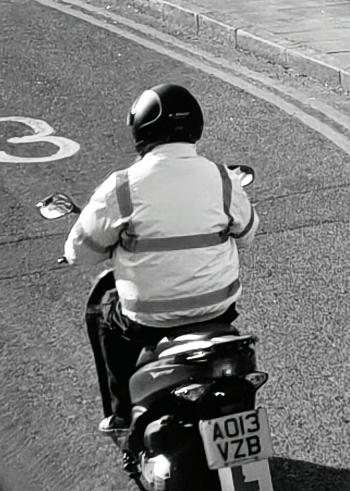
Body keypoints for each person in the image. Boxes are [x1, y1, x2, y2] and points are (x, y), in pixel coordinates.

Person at [62, 81, 256, 444]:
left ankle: (121, 414)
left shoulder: (122, 187)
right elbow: (246, 234)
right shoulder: (221, 178)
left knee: (102, 310)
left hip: (148, 321)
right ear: (195, 127)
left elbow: (80, 252)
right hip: (218, 310)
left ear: (141, 130)